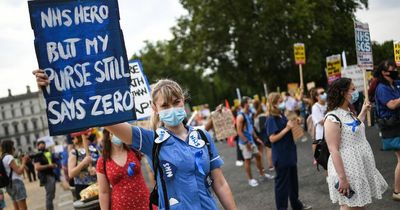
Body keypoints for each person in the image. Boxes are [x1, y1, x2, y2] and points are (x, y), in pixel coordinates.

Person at [33, 71, 236, 210]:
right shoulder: (151, 140)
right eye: (165, 105)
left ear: (183, 101)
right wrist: (58, 90)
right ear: (155, 109)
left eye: (176, 102)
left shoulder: (202, 137)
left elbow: (219, 183)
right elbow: (101, 118)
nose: (172, 108)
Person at [324, 78, 388, 209]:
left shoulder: (347, 112)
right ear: (342, 93)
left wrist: (363, 111)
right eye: (352, 89)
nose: (355, 92)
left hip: (359, 165)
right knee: (350, 206)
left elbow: (353, 128)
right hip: (347, 168)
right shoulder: (332, 118)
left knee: (360, 205)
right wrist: (342, 179)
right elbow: (333, 150)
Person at [266, 92, 311, 210]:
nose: (282, 103)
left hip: (289, 153)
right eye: (280, 101)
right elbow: (272, 138)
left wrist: (296, 122)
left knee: (293, 183)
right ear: (274, 104)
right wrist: (287, 128)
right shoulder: (271, 118)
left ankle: (297, 206)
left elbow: (290, 125)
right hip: (281, 156)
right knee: (282, 186)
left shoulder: (282, 114)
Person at [97, 129, 152, 210]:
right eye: (114, 132)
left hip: (144, 203)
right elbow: (103, 192)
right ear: (108, 136)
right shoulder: (103, 161)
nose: (118, 134)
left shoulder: (134, 150)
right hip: (120, 206)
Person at [373, 60, 400, 200]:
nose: (395, 70)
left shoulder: (394, 84)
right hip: (392, 126)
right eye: (392, 68)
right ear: (384, 72)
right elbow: (392, 105)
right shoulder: (382, 88)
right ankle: (397, 191)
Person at [237, 96, 274, 187]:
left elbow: (251, 127)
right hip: (245, 143)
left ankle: (262, 174)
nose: (251, 104)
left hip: (251, 141)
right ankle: (251, 179)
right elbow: (239, 131)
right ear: (245, 104)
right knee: (247, 160)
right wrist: (246, 143)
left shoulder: (248, 114)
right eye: (249, 103)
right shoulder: (240, 116)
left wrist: (256, 138)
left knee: (258, 156)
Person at [68, 133, 97, 200]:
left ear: (79, 137)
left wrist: (96, 170)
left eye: (73, 138)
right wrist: (83, 163)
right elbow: (71, 174)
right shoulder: (74, 153)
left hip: (97, 185)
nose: (72, 140)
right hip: (82, 187)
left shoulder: (95, 150)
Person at [1, 140, 28, 210]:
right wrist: (24, 162)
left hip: (9, 184)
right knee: (23, 207)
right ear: (10, 147)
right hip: (16, 183)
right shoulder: (9, 157)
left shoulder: (3, 157)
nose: (14, 148)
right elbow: (19, 171)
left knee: (16, 207)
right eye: (12, 146)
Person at [33, 140, 57, 210]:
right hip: (46, 176)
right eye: (41, 146)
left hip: (51, 174)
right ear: (38, 146)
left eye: (43, 145)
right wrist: (49, 166)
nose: (43, 147)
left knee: (52, 195)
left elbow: (51, 162)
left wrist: (54, 164)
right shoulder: (37, 155)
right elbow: (37, 167)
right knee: (49, 195)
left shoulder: (47, 152)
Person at [253, 99, 274, 172]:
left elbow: (256, 127)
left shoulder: (254, 116)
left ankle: (261, 167)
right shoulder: (263, 115)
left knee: (260, 151)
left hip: (258, 135)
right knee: (268, 149)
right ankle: (270, 165)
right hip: (265, 134)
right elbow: (265, 127)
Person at [310, 87, 327, 164]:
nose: (324, 94)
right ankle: (316, 157)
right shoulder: (315, 107)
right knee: (325, 159)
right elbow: (321, 122)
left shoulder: (328, 103)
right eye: (322, 93)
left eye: (324, 92)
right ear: (317, 97)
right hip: (321, 134)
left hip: (329, 131)